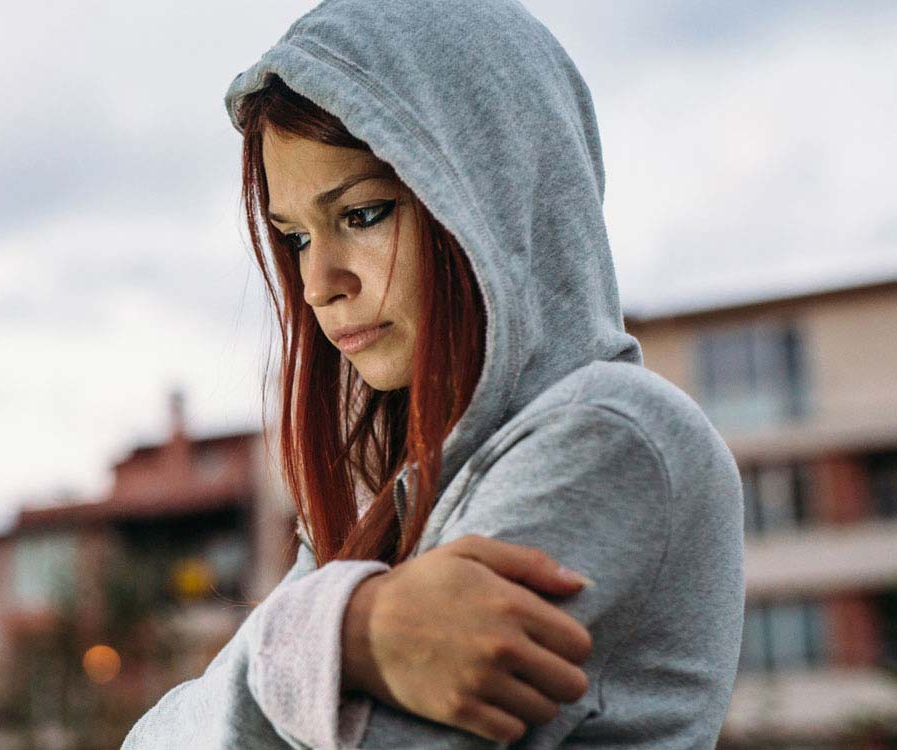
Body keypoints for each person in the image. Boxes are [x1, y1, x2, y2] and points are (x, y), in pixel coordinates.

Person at [122, 0, 745, 748]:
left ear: (493, 195)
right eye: (294, 238)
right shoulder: (389, 495)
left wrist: (320, 640)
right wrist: (343, 633)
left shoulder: (611, 438)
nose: (318, 282)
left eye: (363, 214)